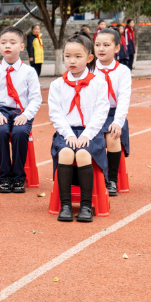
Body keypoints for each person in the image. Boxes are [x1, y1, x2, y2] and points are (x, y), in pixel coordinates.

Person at [48, 33, 109, 223]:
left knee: (83, 154)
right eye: (67, 56)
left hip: (90, 133)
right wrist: (67, 134)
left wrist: (87, 135)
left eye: (78, 56)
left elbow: (101, 113)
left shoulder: (98, 83)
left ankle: (85, 205)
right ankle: (65, 205)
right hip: (65, 132)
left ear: (90, 58)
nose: (71, 60)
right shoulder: (56, 85)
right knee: (65, 153)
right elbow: (55, 114)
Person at [0, 26, 42, 193]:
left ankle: (18, 177)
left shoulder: (29, 72)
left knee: (20, 133)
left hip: (21, 112)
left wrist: (26, 115)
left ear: (22, 47)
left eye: (12, 42)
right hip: (1, 111)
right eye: (3, 42)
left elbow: (36, 98)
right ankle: (4, 178)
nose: (7, 45)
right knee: (0, 132)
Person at [94, 28, 131, 196]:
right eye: (97, 45)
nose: (101, 49)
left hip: (114, 114)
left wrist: (118, 121)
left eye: (106, 45)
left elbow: (124, 99)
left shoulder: (123, 71)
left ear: (117, 48)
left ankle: (111, 180)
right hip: (92, 114)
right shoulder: (89, 69)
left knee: (113, 136)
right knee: (91, 137)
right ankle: (92, 176)